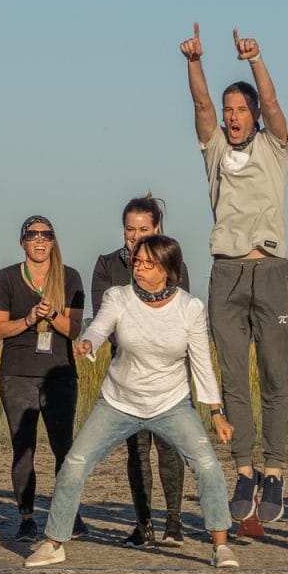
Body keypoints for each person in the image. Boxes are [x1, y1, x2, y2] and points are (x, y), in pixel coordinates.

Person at [24, 235, 239, 569]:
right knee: (75, 464)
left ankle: (221, 545)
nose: (138, 267)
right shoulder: (119, 296)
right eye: (137, 261)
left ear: (168, 270)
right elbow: (99, 327)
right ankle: (53, 543)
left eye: (148, 263)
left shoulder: (190, 308)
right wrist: (88, 344)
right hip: (118, 401)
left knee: (207, 465)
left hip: (171, 403)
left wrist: (217, 413)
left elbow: (201, 364)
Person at [179, 24, 288, 523]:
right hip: (226, 274)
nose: (233, 116)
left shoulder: (275, 147)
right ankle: (245, 470)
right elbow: (201, 106)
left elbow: (273, 101)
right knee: (233, 378)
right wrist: (194, 62)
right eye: (229, 110)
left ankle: (275, 471)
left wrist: (255, 59)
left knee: (275, 374)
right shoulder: (216, 150)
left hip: (270, 270)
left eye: (242, 109)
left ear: (255, 115)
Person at [91, 195, 190, 548]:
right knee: (137, 451)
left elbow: (180, 317)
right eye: (129, 229)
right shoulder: (107, 265)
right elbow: (105, 321)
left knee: (170, 448)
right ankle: (143, 524)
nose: (135, 236)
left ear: (157, 228)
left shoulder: (172, 261)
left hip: (168, 375)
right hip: (127, 374)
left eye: (143, 229)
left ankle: (174, 522)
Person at [0, 215, 87, 543]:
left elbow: (74, 330)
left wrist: (53, 315)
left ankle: (68, 514)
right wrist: (29, 319)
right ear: (23, 242)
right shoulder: (6, 278)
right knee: (23, 448)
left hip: (59, 373)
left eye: (46, 234)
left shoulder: (69, 277)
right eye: (32, 235)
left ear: (53, 241)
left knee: (64, 448)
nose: (40, 240)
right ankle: (27, 518)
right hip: (17, 373)